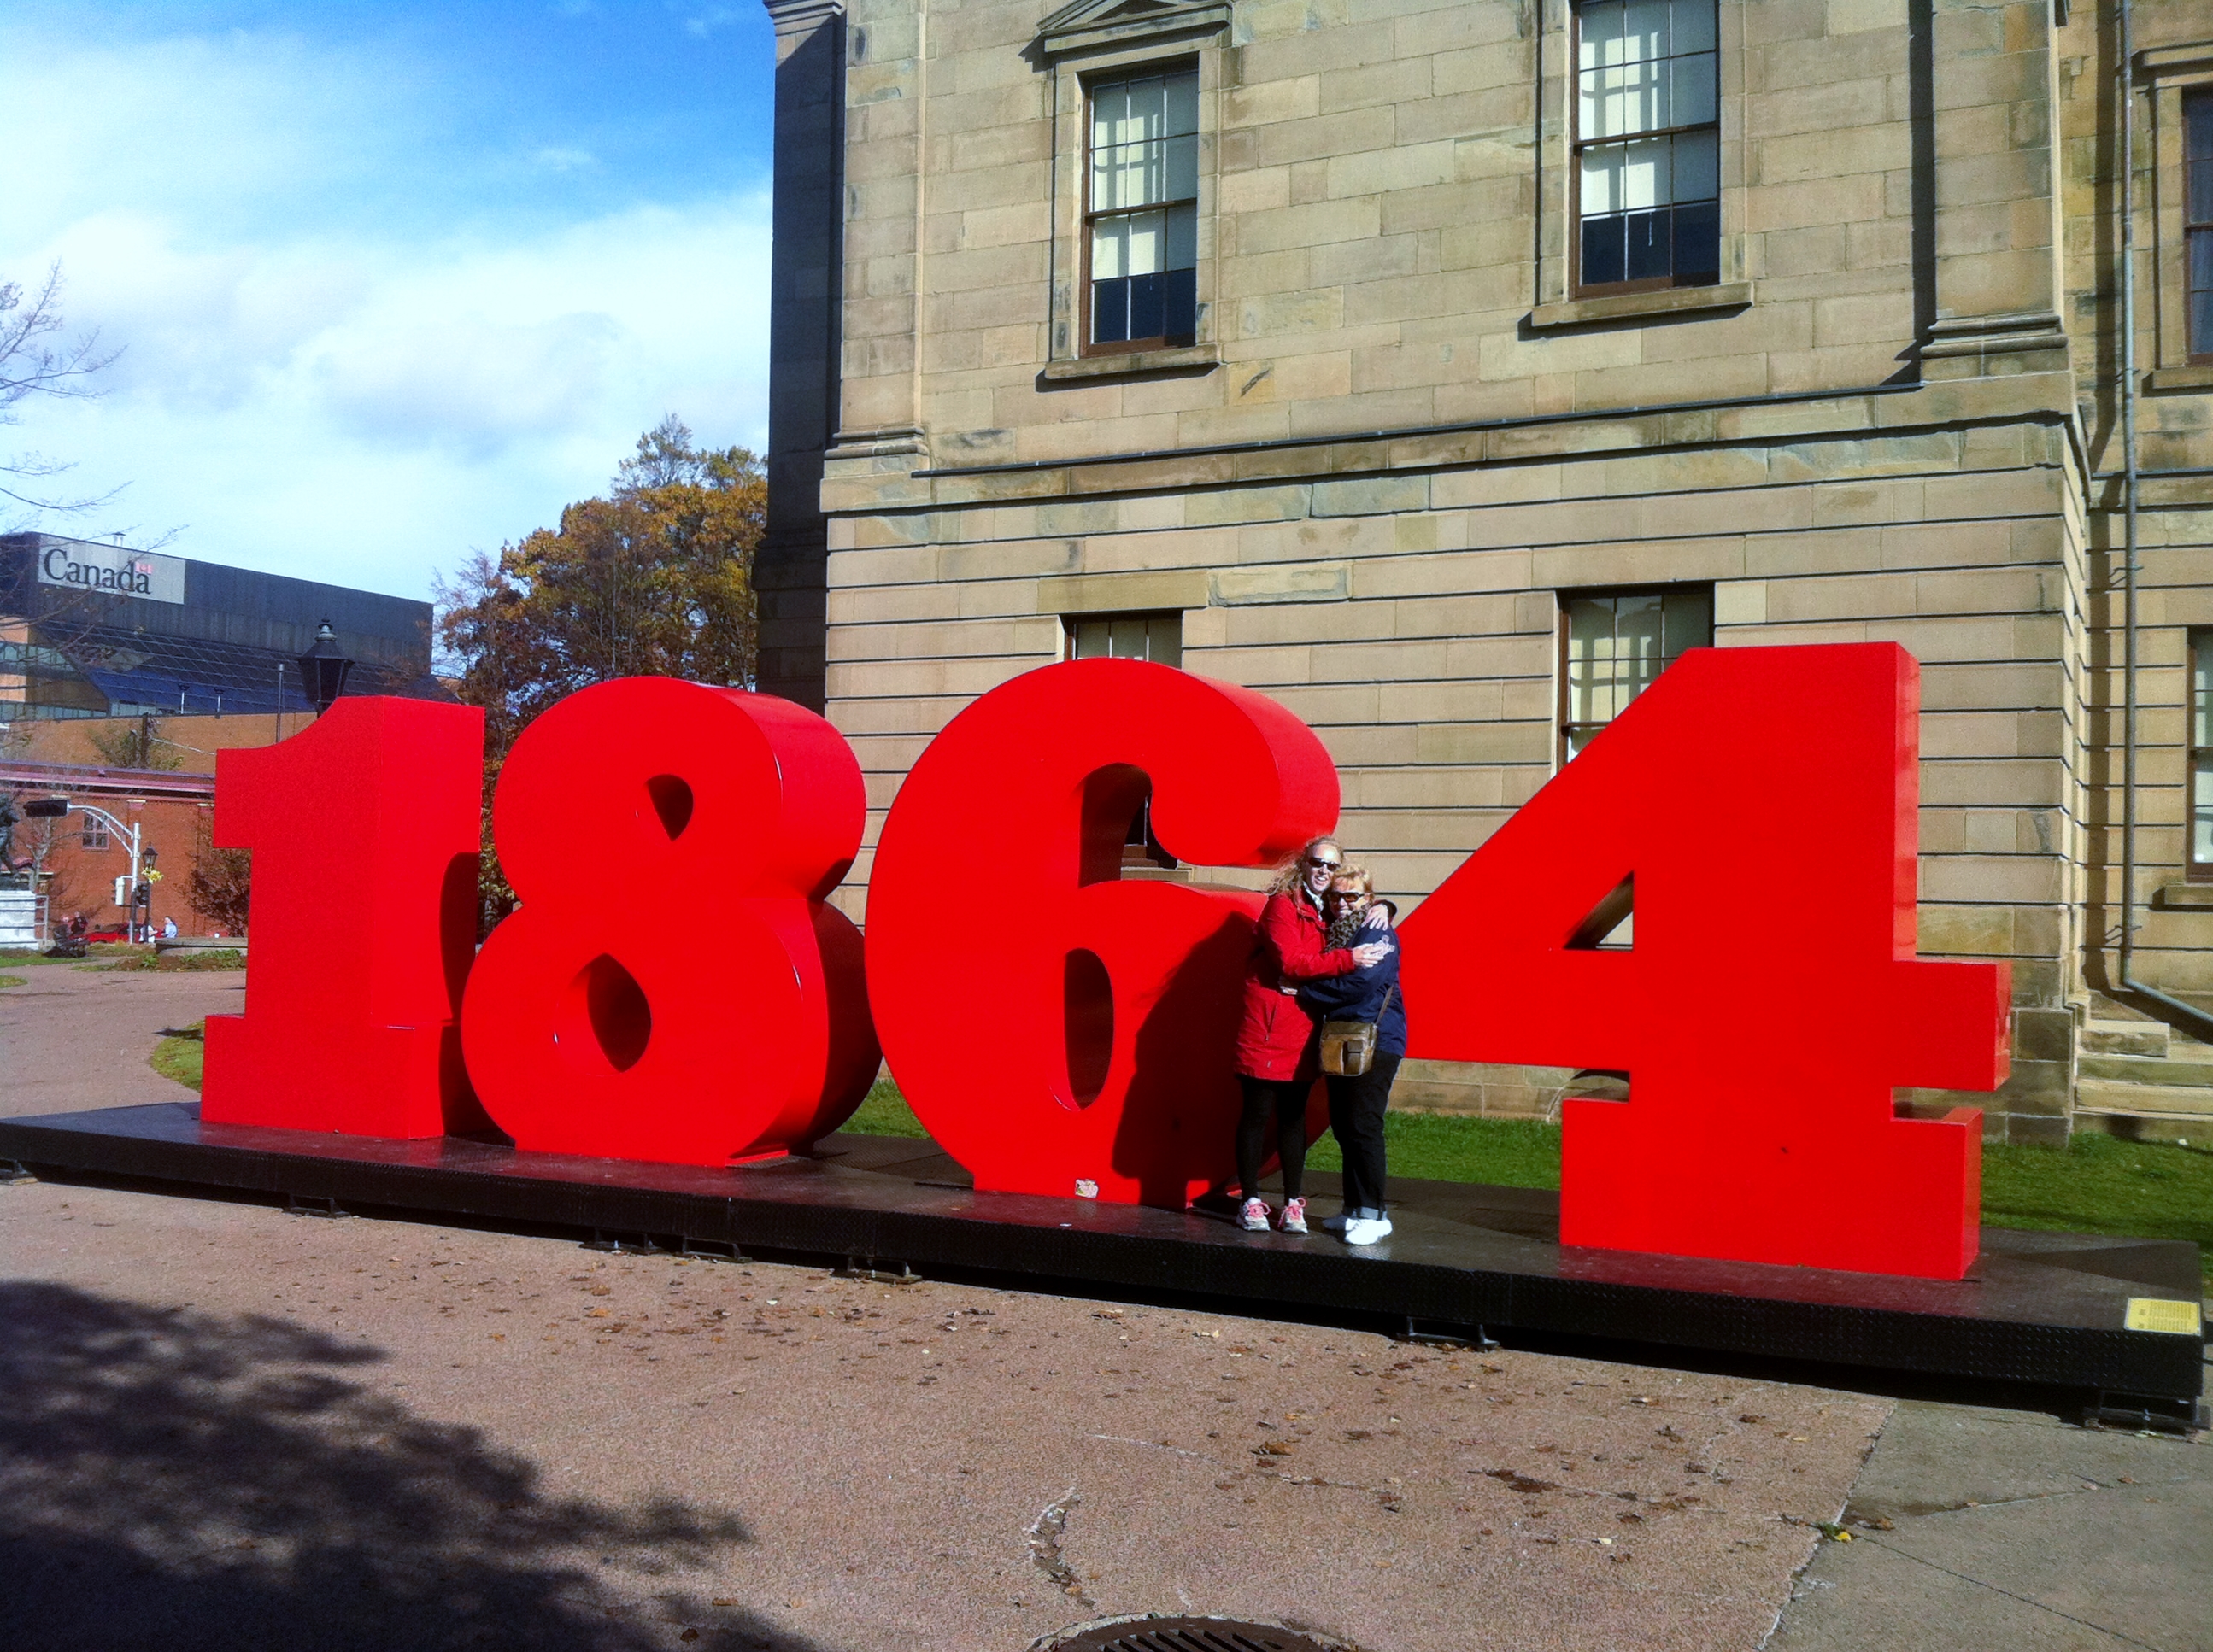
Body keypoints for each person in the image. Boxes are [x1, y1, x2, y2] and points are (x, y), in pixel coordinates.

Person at [1231, 835, 1391, 1235]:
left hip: (1304, 1027)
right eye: (1318, 863)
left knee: (1294, 1118)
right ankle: (1250, 1200)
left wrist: (1385, 907)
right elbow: (1290, 961)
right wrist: (1348, 959)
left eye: (1332, 866)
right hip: (1268, 1027)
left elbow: (1359, 908)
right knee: (1257, 1114)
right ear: (1303, 864)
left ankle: (1292, 1202)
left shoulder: (1332, 911)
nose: (1324, 871)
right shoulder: (1284, 906)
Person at [1300, 866, 1405, 1247]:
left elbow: (1362, 983)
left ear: (1368, 899)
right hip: (1346, 1038)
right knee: (1345, 1125)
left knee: (1363, 1125)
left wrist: (1305, 991)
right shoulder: (1338, 932)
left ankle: (1374, 1214)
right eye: (1335, 896)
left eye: (1352, 896)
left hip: (1376, 1040)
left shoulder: (1376, 930)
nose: (1342, 904)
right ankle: (1354, 1208)